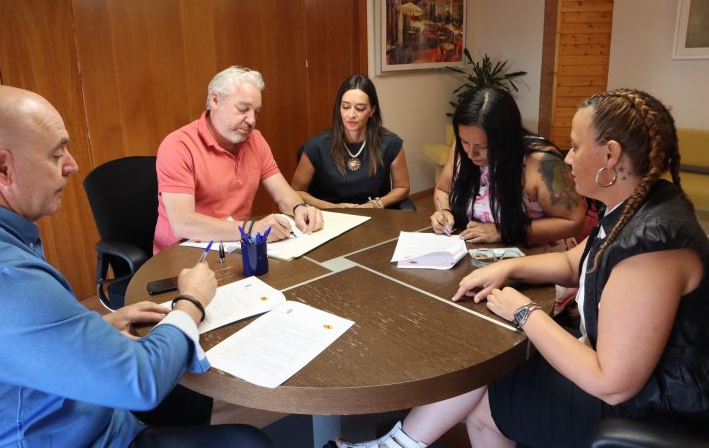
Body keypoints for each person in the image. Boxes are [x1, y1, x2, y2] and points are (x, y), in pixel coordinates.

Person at [336, 88, 709, 448]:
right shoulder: (634, 206)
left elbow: (613, 382)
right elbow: (570, 260)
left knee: (488, 392)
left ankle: (397, 444)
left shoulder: (650, 250)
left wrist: (524, 312)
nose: (567, 158)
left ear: (611, 155)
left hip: (648, 407)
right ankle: (399, 443)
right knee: (486, 387)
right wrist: (507, 269)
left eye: (576, 146)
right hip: (629, 385)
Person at [0, 85, 272, 447]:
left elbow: (9, 340)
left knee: (188, 395)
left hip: (61, 406)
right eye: (57, 153)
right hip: (89, 433)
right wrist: (192, 303)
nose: (72, 165)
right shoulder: (5, 281)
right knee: (250, 441)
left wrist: (96, 325)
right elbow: (141, 383)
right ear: (3, 168)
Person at [154, 65, 324, 253]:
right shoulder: (178, 146)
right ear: (215, 100)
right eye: (243, 109)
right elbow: (183, 223)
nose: (251, 120)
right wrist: (252, 229)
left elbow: (283, 194)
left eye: (256, 112)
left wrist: (299, 208)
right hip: (181, 257)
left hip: (235, 248)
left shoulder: (256, 140)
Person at [431, 88, 587, 247]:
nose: (471, 153)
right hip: (475, 251)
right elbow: (443, 190)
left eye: (483, 146)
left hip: (535, 255)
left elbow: (573, 222)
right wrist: (444, 212)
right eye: (465, 142)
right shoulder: (461, 148)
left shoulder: (539, 162)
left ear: (506, 138)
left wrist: (505, 231)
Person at [291, 74, 410, 209]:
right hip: (330, 219)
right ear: (339, 108)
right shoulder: (316, 146)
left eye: (360, 108)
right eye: (346, 107)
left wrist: (375, 205)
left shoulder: (390, 144)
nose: (351, 115)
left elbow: (402, 187)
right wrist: (332, 207)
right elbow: (296, 191)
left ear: (372, 110)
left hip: (376, 218)